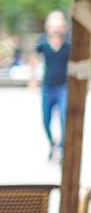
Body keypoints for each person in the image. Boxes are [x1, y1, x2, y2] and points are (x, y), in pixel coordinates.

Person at [30, 10, 71, 161]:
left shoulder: (68, 45)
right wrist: (33, 78)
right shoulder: (43, 42)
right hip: (47, 87)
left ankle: (61, 148)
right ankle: (52, 143)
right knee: (46, 121)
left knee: (63, 119)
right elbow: (34, 57)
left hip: (63, 87)